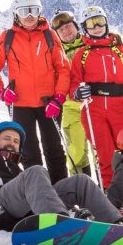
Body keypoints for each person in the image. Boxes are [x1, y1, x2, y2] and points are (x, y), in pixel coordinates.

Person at [0, 61, 123, 232]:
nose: (12, 143)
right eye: (7, 138)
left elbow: (33, 191)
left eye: (16, 141)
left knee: (80, 182)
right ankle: (60, 226)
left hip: (17, 210)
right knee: (36, 171)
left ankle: (117, 226)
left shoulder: (15, 171)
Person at [0, 0, 70, 183]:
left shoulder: (50, 35)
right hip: (20, 104)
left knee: (54, 149)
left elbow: (63, 69)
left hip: (49, 103)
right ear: (16, 14)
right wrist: (1, 91)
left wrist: (59, 98)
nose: (29, 16)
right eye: (24, 11)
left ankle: (63, 191)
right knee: (29, 152)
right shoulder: (8, 37)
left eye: (33, 10)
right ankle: (38, 190)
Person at [69, 6, 123, 189]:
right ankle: (111, 197)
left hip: (120, 107)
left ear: (106, 23)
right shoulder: (82, 54)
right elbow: (74, 83)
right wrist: (77, 93)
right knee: (105, 156)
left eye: (100, 22)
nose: (96, 27)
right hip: (93, 109)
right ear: (84, 28)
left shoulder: (120, 50)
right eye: (91, 23)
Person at [50, 10, 91, 177]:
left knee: (101, 151)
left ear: (76, 26)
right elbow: (54, 83)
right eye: (61, 30)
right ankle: (82, 191)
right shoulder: (56, 55)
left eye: (68, 27)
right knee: (76, 153)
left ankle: (108, 192)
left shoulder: (92, 44)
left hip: (96, 104)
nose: (66, 32)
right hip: (71, 108)